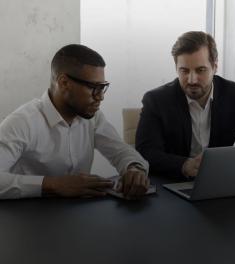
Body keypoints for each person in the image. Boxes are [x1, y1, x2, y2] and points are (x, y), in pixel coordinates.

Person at [0, 44, 149, 199]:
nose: (100, 97)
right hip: (28, 216)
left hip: (78, 214)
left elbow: (120, 151)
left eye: (103, 87)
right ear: (64, 83)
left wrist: (135, 169)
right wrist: (53, 184)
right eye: (93, 87)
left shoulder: (92, 116)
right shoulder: (22, 122)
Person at [136, 31, 235, 180]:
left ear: (215, 66)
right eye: (184, 71)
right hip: (171, 183)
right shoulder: (156, 100)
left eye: (200, 70)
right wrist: (184, 165)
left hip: (220, 182)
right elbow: (145, 152)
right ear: (176, 68)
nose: (192, 80)